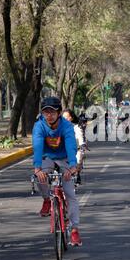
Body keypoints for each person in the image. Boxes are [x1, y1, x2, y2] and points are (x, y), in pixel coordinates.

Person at [32, 97, 82, 246]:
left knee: (69, 193)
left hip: (64, 158)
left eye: (52, 112)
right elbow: (38, 145)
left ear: (59, 113)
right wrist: (37, 167)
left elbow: (71, 145)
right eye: (46, 112)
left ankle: (74, 230)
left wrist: (73, 166)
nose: (49, 115)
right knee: (40, 177)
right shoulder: (39, 126)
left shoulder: (66, 126)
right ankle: (47, 200)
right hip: (46, 157)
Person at [63, 108, 87, 186]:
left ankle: (77, 173)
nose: (65, 119)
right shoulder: (59, 128)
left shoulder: (76, 127)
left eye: (67, 117)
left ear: (71, 118)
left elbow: (80, 138)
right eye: (64, 117)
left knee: (79, 158)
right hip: (62, 151)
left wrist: (82, 145)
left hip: (76, 149)